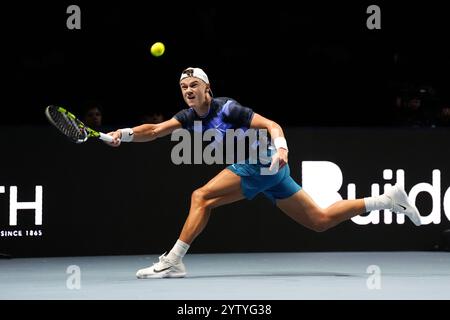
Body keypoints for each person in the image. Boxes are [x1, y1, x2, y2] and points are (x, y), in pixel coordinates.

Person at [106, 67, 422, 279]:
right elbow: (157, 129)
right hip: (269, 173)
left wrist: (282, 149)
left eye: (194, 86)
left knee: (200, 196)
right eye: (184, 87)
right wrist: (124, 132)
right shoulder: (189, 115)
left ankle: (173, 261)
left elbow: (272, 125)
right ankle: (386, 199)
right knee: (320, 221)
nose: (188, 90)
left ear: (208, 89)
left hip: (260, 164)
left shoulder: (227, 108)